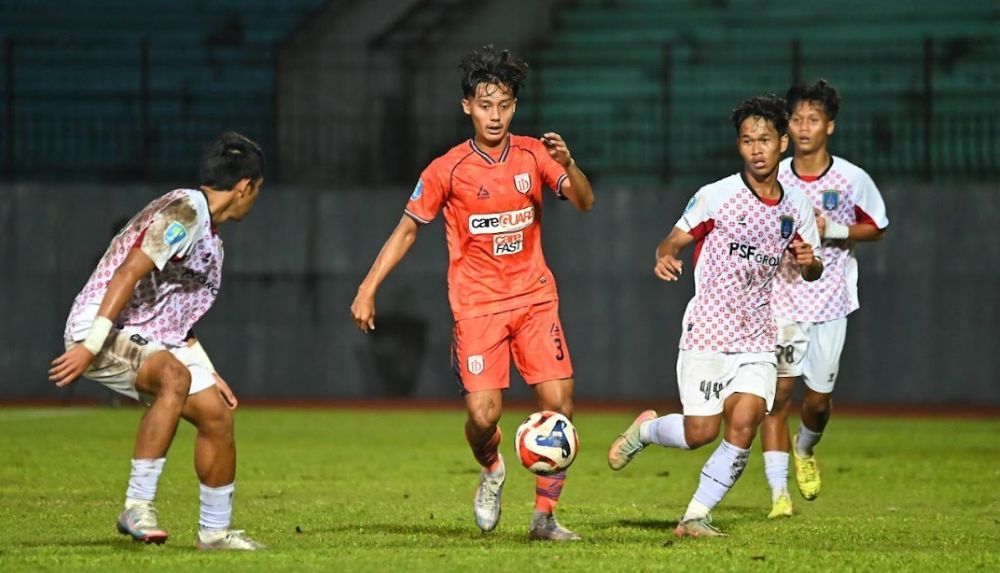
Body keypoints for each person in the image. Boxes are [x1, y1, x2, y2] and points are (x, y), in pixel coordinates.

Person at [350, 45, 595, 541]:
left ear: (515, 108)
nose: (496, 115)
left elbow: (584, 201)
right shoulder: (448, 169)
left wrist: (571, 164)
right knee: (483, 418)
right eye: (486, 105)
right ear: (467, 107)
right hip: (477, 306)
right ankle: (492, 469)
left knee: (560, 406)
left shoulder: (534, 154)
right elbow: (406, 230)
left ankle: (545, 518)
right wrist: (368, 287)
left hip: (533, 300)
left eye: (504, 105)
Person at [607, 95, 823, 538]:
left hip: (758, 334)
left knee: (746, 421)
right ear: (739, 146)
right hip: (708, 329)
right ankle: (647, 431)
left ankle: (694, 516)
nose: (756, 149)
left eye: (764, 139)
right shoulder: (716, 196)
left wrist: (808, 261)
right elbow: (672, 240)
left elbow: (813, 266)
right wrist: (664, 257)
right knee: (700, 432)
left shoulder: (796, 206)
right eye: (747, 141)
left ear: (783, 143)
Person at [48, 132, 266, 550]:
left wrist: (209, 370)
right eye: (258, 189)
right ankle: (137, 506)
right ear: (245, 186)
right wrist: (90, 344)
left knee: (217, 415)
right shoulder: (186, 210)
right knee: (173, 377)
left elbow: (175, 322)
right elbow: (128, 272)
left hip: (152, 339)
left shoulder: (211, 238)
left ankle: (215, 534)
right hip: (100, 326)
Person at [760, 80, 890, 518]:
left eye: (813, 119)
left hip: (831, 303)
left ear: (829, 126)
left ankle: (805, 447)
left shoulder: (852, 179)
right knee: (777, 397)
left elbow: (878, 227)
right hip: (780, 302)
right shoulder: (772, 177)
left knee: (816, 401)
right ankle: (779, 495)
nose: (802, 127)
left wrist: (831, 229)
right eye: (796, 118)